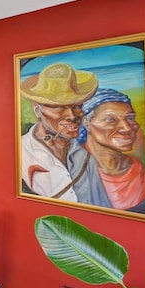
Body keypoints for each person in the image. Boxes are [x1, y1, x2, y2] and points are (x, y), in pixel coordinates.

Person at [20, 63, 110, 207]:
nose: (72, 116)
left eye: (77, 106)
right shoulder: (20, 152)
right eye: (59, 107)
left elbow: (101, 205)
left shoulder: (84, 155)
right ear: (37, 110)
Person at [79, 88, 145, 213]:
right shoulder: (71, 168)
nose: (126, 128)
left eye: (130, 118)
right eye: (111, 119)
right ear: (87, 123)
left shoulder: (138, 170)